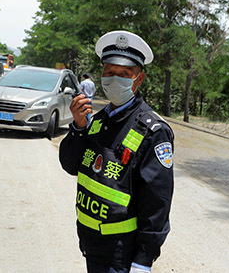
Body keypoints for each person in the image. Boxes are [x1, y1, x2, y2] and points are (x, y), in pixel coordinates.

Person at [59, 30, 175, 273]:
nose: (114, 79)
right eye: (109, 72)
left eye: (124, 74)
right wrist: (78, 129)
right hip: (90, 242)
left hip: (121, 251)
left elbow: (158, 202)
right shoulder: (97, 121)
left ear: (139, 79)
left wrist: (143, 260)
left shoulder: (152, 131)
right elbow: (71, 165)